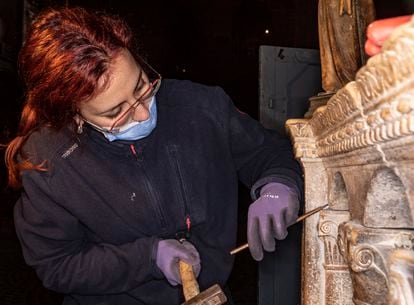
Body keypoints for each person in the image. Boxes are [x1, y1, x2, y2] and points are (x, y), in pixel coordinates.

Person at [5, 6, 303, 305]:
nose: (143, 111)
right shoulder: (49, 163)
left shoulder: (200, 106)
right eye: (115, 111)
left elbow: (266, 151)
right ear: (73, 113)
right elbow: (58, 265)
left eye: (142, 86)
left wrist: (278, 185)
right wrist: (148, 258)